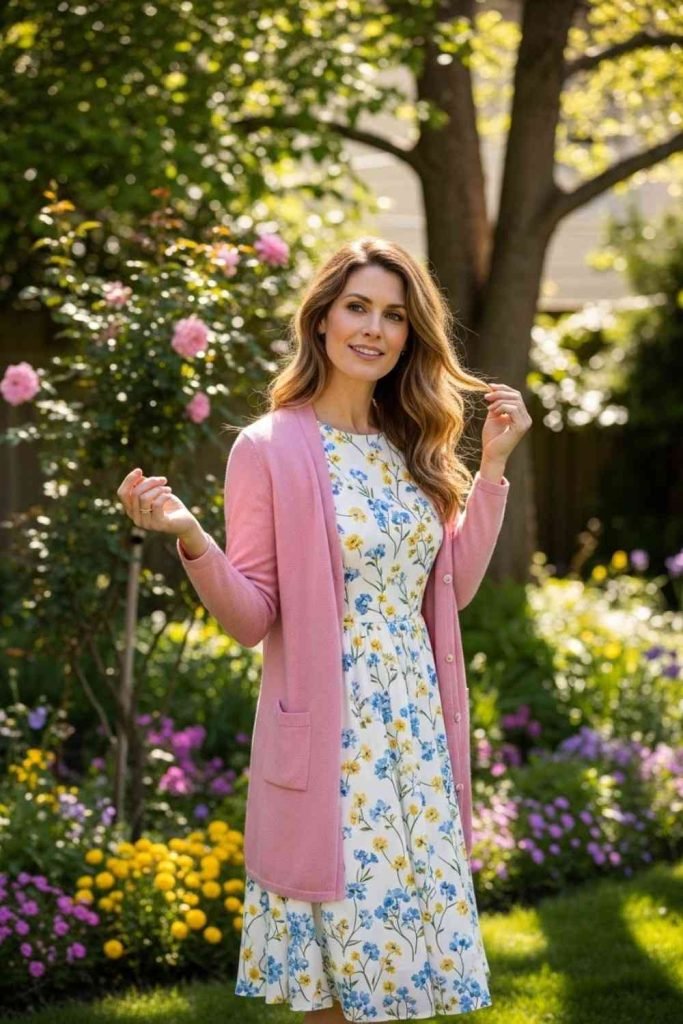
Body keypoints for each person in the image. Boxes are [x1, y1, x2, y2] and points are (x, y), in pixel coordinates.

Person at [117, 237, 531, 1022]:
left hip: (414, 740)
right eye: (356, 308)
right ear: (321, 319)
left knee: (402, 980)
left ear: (410, 334)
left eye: (394, 316)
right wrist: (191, 537)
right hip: (336, 751)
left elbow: (450, 590)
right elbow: (251, 618)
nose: (374, 329)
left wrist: (492, 468)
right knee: (338, 985)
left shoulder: (413, 446)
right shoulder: (267, 448)